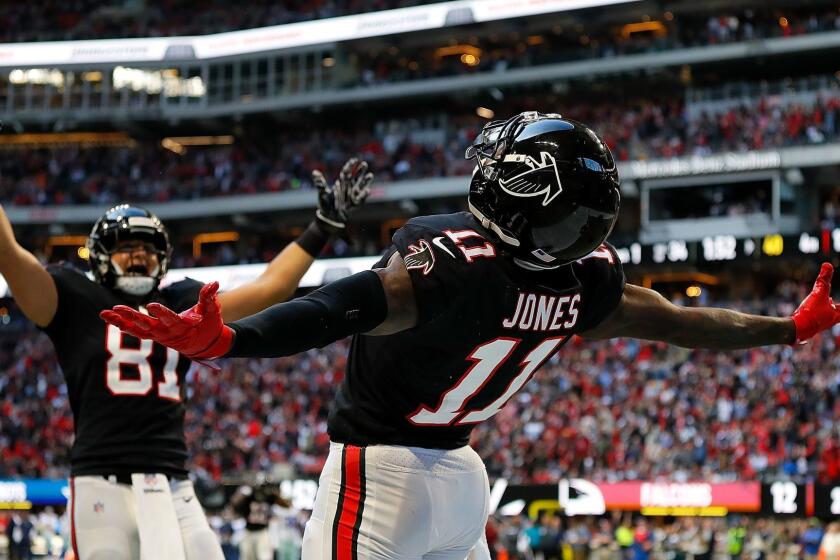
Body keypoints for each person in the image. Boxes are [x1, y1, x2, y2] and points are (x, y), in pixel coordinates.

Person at [102, 111, 840, 559]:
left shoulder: (454, 259)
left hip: (378, 476)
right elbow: (680, 322)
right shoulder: (585, 283)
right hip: (462, 483)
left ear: (520, 197)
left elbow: (338, 308)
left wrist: (233, 342)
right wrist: (788, 329)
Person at [0, 158, 372, 560]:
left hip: (172, 481)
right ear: (102, 255)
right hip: (100, 477)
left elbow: (272, 287)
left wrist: (322, 229)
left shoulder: (179, 299)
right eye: (128, 250)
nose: (140, 257)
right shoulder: (71, 296)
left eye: (148, 249)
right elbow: (9, 255)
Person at [231, 482, 290, 560]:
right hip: (249, 531)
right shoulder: (249, 497)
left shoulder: (269, 497)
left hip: (262, 531)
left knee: (264, 556)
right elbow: (234, 506)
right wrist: (241, 494)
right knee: (247, 556)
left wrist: (275, 494)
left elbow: (286, 505)